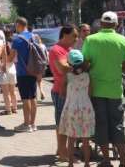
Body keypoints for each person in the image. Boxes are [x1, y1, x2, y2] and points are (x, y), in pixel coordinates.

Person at [82, 11, 125, 167]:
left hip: (96, 90)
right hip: (115, 90)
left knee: (101, 124)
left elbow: (85, 64)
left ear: (101, 24)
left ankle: (106, 160)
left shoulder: (90, 40)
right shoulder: (123, 40)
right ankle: (123, 161)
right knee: (118, 124)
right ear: (116, 25)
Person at [58, 50, 95, 167]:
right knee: (85, 139)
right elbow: (90, 93)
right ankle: (87, 164)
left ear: (69, 63)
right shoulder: (88, 76)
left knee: (71, 138)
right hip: (86, 108)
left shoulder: (68, 76)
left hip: (71, 108)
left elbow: (62, 93)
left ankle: (70, 164)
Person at [49, 25, 78, 162]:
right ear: (65, 35)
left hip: (70, 91)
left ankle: (61, 149)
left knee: (64, 122)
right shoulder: (56, 49)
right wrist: (80, 66)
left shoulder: (70, 49)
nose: (76, 39)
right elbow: (63, 68)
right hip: (61, 91)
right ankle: (62, 154)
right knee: (62, 123)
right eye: (74, 36)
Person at [10, 17, 38, 132]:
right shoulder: (35, 37)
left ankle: (26, 125)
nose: (15, 28)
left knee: (25, 98)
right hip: (34, 70)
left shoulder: (17, 39)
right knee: (33, 97)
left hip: (23, 72)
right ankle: (33, 124)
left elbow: (11, 57)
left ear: (19, 25)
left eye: (16, 26)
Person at [0, 29, 17, 115]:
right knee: (13, 91)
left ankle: (8, 109)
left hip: (4, 69)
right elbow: (13, 58)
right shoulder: (14, 45)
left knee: (6, 93)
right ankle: (15, 108)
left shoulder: (2, 45)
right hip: (12, 69)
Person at [33, 34, 47, 101]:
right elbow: (46, 55)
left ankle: (35, 96)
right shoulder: (43, 46)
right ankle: (41, 92)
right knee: (40, 80)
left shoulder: (32, 46)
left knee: (34, 81)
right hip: (42, 65)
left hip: (34, 65)